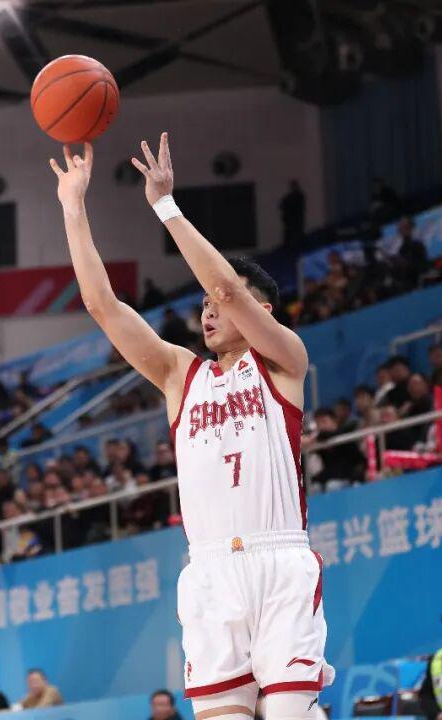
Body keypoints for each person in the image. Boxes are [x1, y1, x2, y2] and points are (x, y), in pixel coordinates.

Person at [50, 133, 334, 718]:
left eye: (217, 303)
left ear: (262, 312)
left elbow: (226, 286)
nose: (209, 308)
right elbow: (103, 306)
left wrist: (165, 205)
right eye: (202, 304)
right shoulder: (181, 374)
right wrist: (73, 207)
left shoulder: (284, 361)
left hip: (278, 561)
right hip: (208, 571)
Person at [280, 180, 306, 248]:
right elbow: (282, 205)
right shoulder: (289, 197)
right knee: (290, 237)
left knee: (297, 237)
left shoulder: (298, 196)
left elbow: (300, 208)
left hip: (296, 222)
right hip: (291, 222)